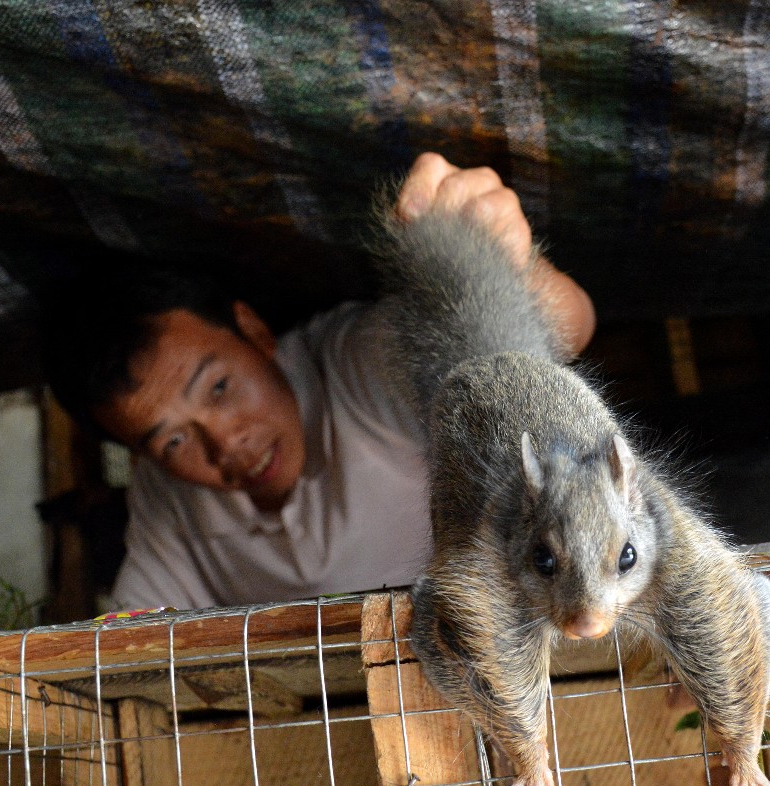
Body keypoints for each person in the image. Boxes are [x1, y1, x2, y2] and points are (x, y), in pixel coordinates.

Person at [44, 153, 596, 610]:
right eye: (173, 441)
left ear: (254, 330)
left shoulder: (360, 362)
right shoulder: (168, 498)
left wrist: (501, 265)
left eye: (217, 387)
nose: (225, 442)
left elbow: (565, 334)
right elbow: (135, 634)